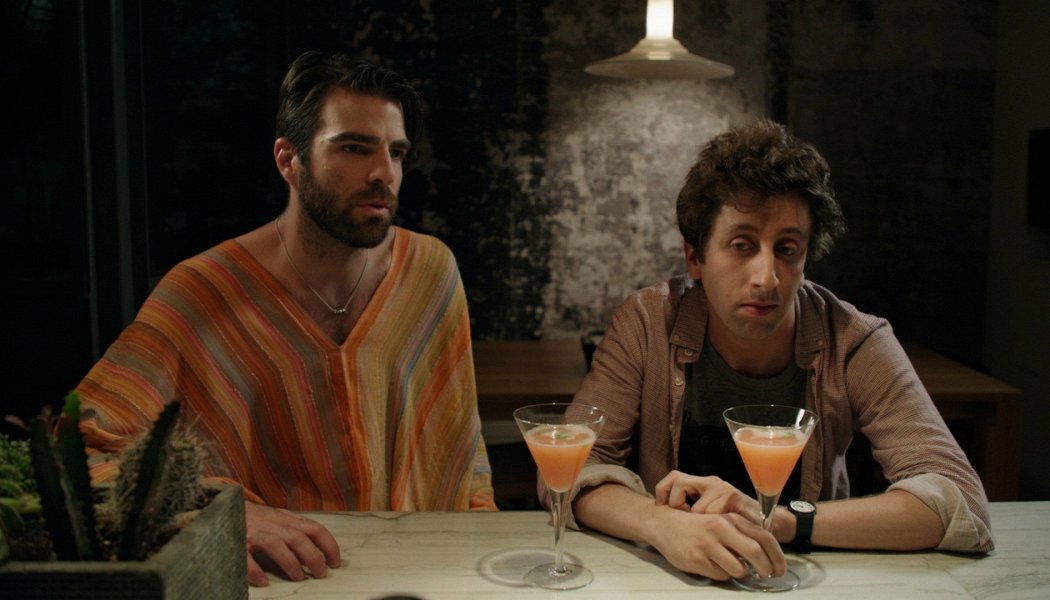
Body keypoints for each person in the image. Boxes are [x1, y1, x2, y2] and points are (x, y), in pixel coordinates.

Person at [75, 51, 496, 587]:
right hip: (278, 583)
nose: (384, 174)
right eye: (353, 148)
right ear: (288, 159)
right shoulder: (203, 291)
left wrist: (482, 560)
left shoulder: (430, 271)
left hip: (415, 574)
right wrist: (223, 511)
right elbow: (86, 451)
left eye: (396, 152)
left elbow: (462, 450)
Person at [564, 119, 993, 583]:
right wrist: (661, 524)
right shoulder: (648, 323)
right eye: (742, 245)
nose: (766, 278)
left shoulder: (855, 340)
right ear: (695, 258)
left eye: (787, 249)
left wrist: (782, 521)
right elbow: (573, 467)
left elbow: (962, 504)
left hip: (806, 578)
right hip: (671, 577)